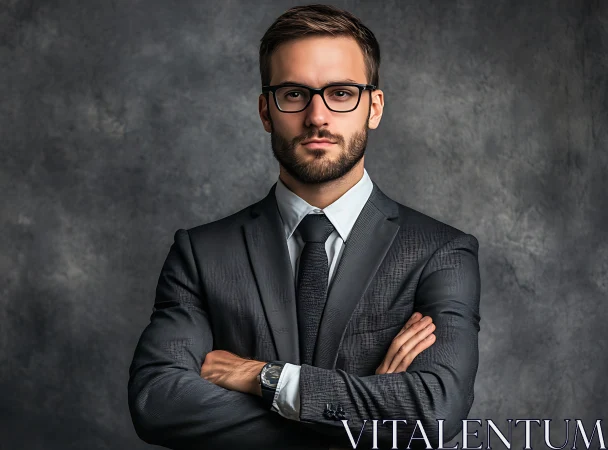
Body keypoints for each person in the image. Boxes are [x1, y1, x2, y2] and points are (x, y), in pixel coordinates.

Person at [128, 4, 480, 450]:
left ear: (373, 107)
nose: (317, 116)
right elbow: (157, 402)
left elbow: (434, 410)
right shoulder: (201, 254)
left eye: (341, 93)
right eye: (294, 94)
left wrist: (263, 377)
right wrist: (365, 421)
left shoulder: (440, 252)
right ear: (265, 111)